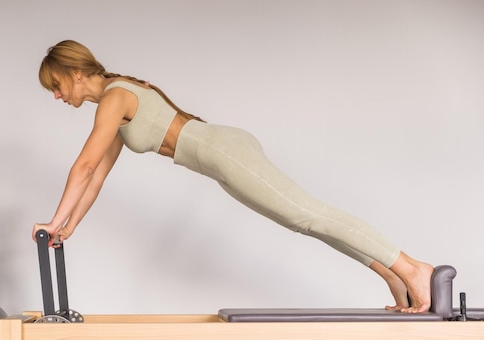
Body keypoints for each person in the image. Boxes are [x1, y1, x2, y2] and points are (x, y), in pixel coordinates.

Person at [32, 40, 434, 314]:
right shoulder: (113, 104)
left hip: (222, 151)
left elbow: (83, 166)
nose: (56, 96)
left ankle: (414, 268)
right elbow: (96, 176)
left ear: (76, 73)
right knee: (303, 222)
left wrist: (53, 221)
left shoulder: (116, 96)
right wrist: (69, 227)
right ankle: (392, 274)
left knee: (309, 214)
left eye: (56, 85)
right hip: (218, 159)